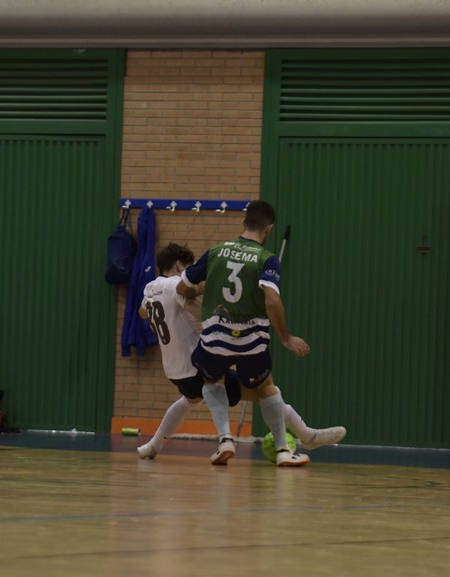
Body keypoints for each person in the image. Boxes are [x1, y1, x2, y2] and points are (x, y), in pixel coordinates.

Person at [136, 242, 346, 460]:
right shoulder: (175, 285)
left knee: (189, 399)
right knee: (264, 391)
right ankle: (306, 434)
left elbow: (143, 312)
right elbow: (201, 313)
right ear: (180, 266)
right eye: (191, 267)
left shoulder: (150, 288)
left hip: (174, 370)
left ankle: (153, 445)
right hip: (195, 364)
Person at [176, 200, 313, 467]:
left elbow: (183, 288)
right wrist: (286, 337)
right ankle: (284, 451)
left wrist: (201, 290)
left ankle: (225, 439)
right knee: (265, 387)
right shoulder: (266, 259)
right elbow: (272, 301)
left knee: (211, 380)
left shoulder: (215, 251)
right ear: (268, 230)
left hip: (215, 338)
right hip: (252, 340)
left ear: (243, 223)